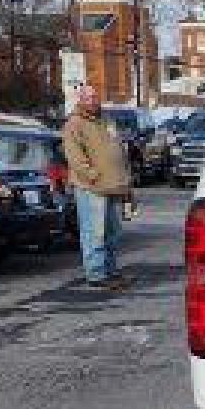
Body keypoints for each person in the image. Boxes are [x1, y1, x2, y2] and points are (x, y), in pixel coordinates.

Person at [60, 86, 136, 289]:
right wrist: (94, 176)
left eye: (96, 97)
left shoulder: (107, 121)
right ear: (81, 100)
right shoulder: (74, 124)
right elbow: (75, 157)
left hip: (114, 186)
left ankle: (111, 271)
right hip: (91, 188)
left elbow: (120, 150)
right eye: (89, 98)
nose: (94, 101)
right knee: (94, 233)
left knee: (113, 232)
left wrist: (126, 181)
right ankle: (96, 274)